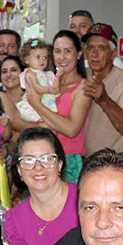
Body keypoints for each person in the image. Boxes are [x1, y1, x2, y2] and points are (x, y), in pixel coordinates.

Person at [18, 30, 92, 183]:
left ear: (79, 53)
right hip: (41, 159)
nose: (62, 57)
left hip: (69, 160)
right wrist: (40, 125)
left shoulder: (83, 87)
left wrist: (37, 105)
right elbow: (16, 120)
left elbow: (71, 129)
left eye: (68, 51)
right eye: (57, 51)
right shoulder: (45, 80)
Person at [81, 23, 123, 156]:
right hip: (90, 162)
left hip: (118, 164)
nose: (94, 54)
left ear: (113, 54)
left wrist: (105, 100)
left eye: (101, 48)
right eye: (90, 48)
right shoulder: (83, 75)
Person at [15, 38, 58, 123]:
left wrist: (59, 76)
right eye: (38, 57)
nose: (42, 60)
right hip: (33, 102)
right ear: (26, 59)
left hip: (46, 101)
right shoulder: (30, 73)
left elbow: (55, 84)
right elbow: (36, 87)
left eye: (44, 57)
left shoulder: (48, 74)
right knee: (32, 113)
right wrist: (48, 90)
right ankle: (37, 119)